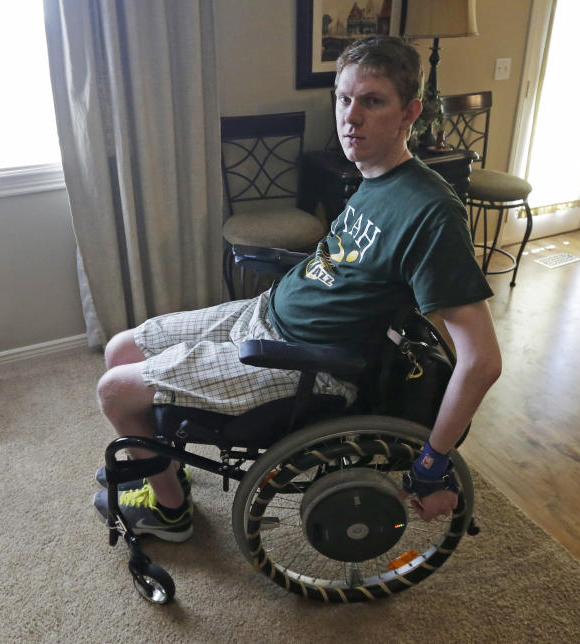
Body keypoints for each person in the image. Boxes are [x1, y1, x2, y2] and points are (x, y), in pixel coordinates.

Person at [93, 36, 502, 542]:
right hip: (266, 313)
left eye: (373, 101)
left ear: (409, 113)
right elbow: (341, 267)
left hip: (304, 362)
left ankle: (171, 512)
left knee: (114, 392)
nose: (351, 117)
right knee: (120, 348)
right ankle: (162, 466)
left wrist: (432, 462)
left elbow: (482, 360)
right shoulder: (372, 175)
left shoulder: (431, 213)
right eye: (344, 98)